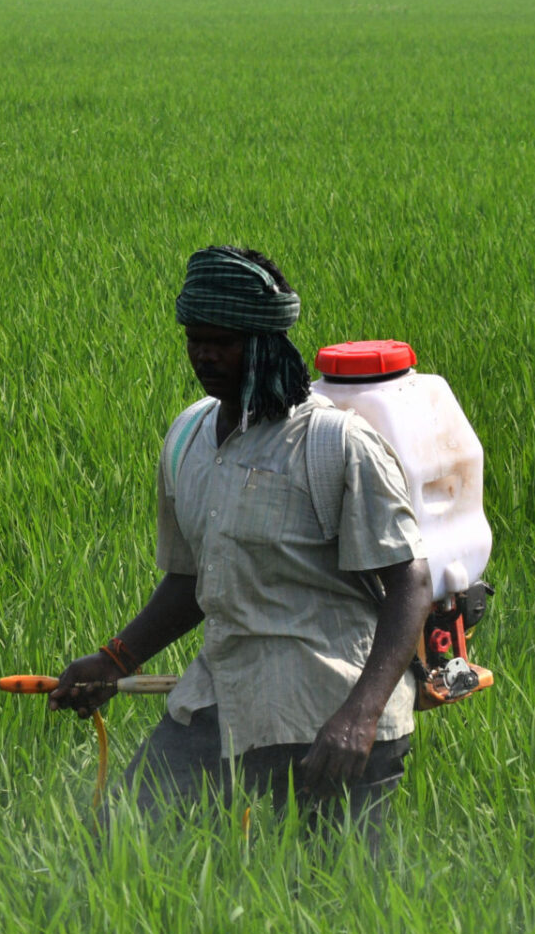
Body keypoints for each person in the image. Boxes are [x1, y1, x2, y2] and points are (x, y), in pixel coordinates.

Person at [49, 246, 432, 843]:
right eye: (194, 339)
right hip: (227, 693)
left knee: (336, 889)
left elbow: (411, 583)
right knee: (120, 842)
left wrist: (360, 716)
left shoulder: (335, 443)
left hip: (331, 708)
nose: (204, 355)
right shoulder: (189, 436)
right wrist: (116, 659)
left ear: (264, 342)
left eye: (223, 342)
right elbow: (193, 579)